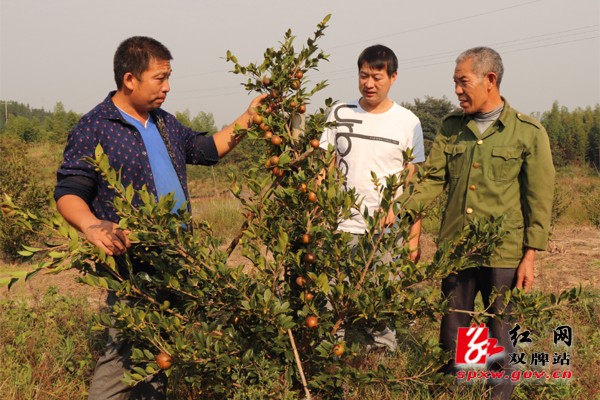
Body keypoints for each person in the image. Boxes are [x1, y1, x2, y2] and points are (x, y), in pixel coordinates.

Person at [54, 36, 264, 400]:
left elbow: (207, 150)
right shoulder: (95, 127)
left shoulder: (164, 123)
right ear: (130, 79)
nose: (167, 87)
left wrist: (248, 118)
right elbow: (70, 190)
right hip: (135, 264)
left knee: (160, 352)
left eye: (169, 78)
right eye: (160, 78)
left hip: (177, 258)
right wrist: (91, 225)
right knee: (124, 354)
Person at [400, 47, 555, 399]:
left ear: (490, 80)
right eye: (455, 82)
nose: (456, 90)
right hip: (456, 247)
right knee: (454, 327)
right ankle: (459, 390)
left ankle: (499, 393)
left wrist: (530, 255)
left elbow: (538, 198)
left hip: (504, 251)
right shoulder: (452, 128)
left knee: (500, 328)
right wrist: (402, 211)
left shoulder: (528, 132)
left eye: (462, 82)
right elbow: (433, 180)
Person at [319, 44, 425, 351]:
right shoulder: (340, 112)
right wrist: (321, 207)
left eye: (377, 77)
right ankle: (331, 352)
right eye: (364, 75)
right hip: (339, 224)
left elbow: (411, 172)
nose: (369, 83)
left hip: (383, 229)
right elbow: (325, 166)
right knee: (331, 297)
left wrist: (396, 208)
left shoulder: (407, 121)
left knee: (378, 297)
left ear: (393, 77)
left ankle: (381, 355)